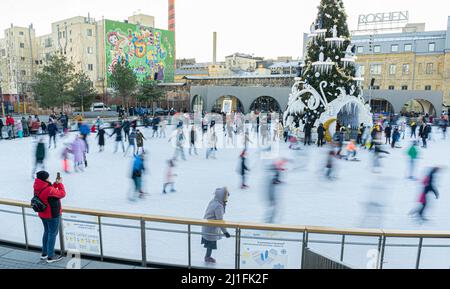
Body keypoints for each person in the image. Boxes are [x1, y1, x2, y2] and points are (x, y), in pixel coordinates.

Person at [34, 171, 66, 263]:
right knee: (52, 233)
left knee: (47, 232)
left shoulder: (37, 186)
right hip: (52, 214)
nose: (49, 179)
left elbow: (50, 192)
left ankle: (44, 254)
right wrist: (60, 184)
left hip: (42, 214)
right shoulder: (48, 189)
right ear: (45, 179)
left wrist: (55, 183)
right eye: (48, 178)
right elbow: (62, 194)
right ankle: (50, 256)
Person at [201, 187, 231, 264]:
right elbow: (220, 221)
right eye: (226, 196)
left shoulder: (214, 201)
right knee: (210, 244)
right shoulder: (219, 206)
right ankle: (207, 257)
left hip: (207, 226)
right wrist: (225, 232)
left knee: (209, 244)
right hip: (211, 228)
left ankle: (207, 256)